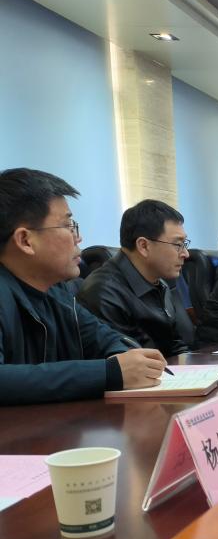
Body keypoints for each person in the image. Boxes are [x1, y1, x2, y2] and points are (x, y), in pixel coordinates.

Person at [0, 168, 168, 404]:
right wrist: (109, 373)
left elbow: (106, 339)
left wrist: (132, 361)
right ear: (25, 240)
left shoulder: (58, 292)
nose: (78, 238)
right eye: (68, 226)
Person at [78, 200, 194, 357]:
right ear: (144, 246)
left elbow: (174, 346)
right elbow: (129, 363)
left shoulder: (160, 283)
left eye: (184, 244)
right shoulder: (104, 293)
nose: (186, 254)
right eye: (178, 244)